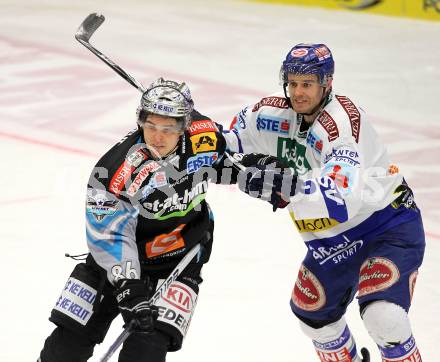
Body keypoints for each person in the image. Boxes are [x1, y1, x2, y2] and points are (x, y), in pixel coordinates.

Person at [38, 77, 276, 362]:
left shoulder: (204, 136)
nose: (158, 137)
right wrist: (128, 287)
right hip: (116, 263)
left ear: (184, 126)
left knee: (146, 352)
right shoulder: (113, 171)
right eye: (151, 126)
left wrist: (263, 176)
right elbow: (108, 237)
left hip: (178, 258)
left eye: (168, 128)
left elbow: (224, 164)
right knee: (65, 347)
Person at [223, 43, 425, 362]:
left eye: (307, 84)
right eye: (292, 83)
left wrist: (284, 187)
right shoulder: (272, 114)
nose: (298, 93)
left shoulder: (341, 126)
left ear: (326, 83)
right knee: (313, 313)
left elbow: (340, 200)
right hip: (333, 240)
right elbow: (228, 143)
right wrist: (194, 135)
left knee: (383, 317)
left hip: (387, 226)